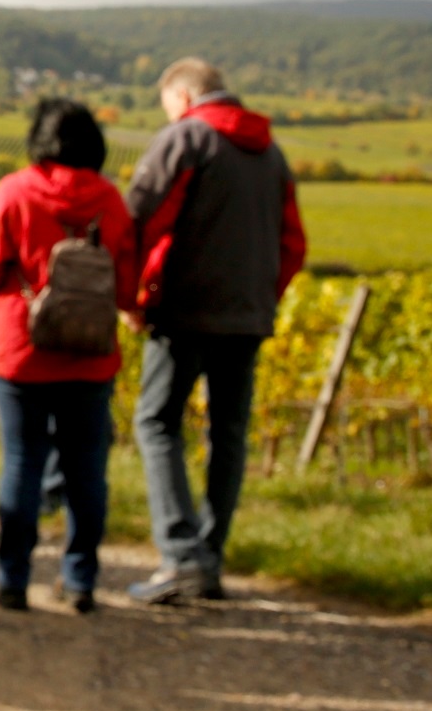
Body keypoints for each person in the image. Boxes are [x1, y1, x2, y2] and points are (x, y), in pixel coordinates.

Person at [125, 58, 306, 603]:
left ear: (181, 96)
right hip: (247, 315)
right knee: (227, 434)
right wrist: (261, 298)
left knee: (156, 422)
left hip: (184, 311)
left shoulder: (185, 139)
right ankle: (211, 558)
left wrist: (132, 295)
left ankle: (181, 556)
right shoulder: (272, 154)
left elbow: (138, 217)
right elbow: (292, 243)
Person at [0, 99, 137, 614]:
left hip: (21, 349)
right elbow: (126, 286)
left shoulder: (15, 192)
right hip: (89, 354)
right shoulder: (111, 200)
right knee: (88, 470)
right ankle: (80, 579)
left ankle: (11, 578)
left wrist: (7, 318)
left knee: (22, 463)